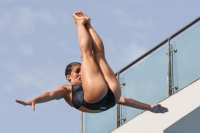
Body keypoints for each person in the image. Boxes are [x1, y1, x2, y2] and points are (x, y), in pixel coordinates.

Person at [16, 11, 168, 114]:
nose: (82, 73)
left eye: (81, 70)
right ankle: (79, 23)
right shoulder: (66, 89)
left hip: (111, 97)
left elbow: (125, 100)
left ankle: (87, 24)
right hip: (103, 98)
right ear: (69, 76)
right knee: (87, 55)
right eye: (77, 71)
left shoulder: (91, 82)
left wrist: (149, 107)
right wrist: (35, 100)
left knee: (99, 57)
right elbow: (51, 94)